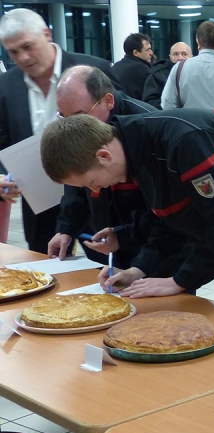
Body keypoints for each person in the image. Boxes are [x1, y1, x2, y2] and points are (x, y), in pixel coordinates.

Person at [41, 108, 214, 318]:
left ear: (103, 155)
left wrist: (180, 280)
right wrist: (139, 269)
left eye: (90, 182)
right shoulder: (136, 149)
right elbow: (169, 222)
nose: (95, 190)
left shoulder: (183, 141)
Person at [0, 8, 120, 254]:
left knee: (104, 270)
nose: (22, 57)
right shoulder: (6, 86)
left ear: (47, 34)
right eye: (13, 52)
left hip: (94, 194)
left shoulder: (92, 70)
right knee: (43, 269)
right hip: (39, 200)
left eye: (28, 46)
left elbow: (121, 127)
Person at [48, 65, 186, 278]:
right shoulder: (79, 134)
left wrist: (125, 236)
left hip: (155, 246)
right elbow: (76, 186)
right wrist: (66, 228)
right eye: (64, 117)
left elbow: (170, 218)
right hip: (108, 241)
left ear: (108, 101)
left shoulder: (148, 128)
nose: (73, 126)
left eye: (80, 115)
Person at [141, 41, 192, 109]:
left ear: (191, 57)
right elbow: (150, 102)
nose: (180, 58)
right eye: (175, 54)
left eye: (184, 54)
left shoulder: (197, 72)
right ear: (170, 57)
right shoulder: (156, 75)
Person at [111, 33, 152, 100]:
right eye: (147, 50)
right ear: (135, 53)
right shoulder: (143, 70)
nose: (151, 52)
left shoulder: (115, 67)